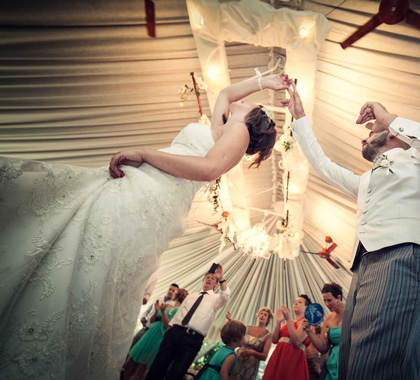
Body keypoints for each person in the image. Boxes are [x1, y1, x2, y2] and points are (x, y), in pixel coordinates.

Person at [0, 72, 290, 379]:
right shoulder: (223, 128)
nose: (240, 100)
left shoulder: (238, 133)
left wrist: (146, 154)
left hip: (157, 190)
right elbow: (227, 93)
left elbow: (208, 169)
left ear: (254, 116)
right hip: (153, 186)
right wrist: (266, 82)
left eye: (249, 101)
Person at [282, 83, 420, 380]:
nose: (365, 135)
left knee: (380, 362)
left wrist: (391, 120)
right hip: (364, 266)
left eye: (372, 131)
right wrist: (299, 118)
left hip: (406, 256)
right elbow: (322, 165)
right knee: (353, 359)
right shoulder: (364, 180)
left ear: (396, 136)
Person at [146, 268, 229, 380]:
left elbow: (225, 295)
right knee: (157, 367)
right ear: (203, 281)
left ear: (215, 284)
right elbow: (177, 315)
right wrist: (170, 331)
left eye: (213, 278)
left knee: (176, 373)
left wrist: (221, 278)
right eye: (207, 277)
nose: (209, 279)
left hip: (193, 339)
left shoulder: (216, 299)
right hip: (175, 333)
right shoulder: (191, 296)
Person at [124, 289, 188, 380]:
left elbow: (168, 326)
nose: (172, 294)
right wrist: (157, 311)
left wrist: (162, 312)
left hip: (158, 337)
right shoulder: (167, 305)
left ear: (178, 295)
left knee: (141, 369)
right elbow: (151, 320)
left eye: (175, 292)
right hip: (150, 332)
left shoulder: (179, 312)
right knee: (129, 363)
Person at [262, 295, 313, 380]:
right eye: (295, 302)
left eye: (300, 302)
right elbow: (274, 340)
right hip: (279, 356)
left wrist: (288, 319)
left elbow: (297, 340)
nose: (296, 303)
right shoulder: (289, 322)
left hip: (293, 358)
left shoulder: (306, 322)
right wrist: (278, 323)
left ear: (306, 308)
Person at [302, 282, 344, 380]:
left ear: (338, 297)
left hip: (348, 359)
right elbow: (323, 347)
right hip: (332, 363)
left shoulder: (352, 312)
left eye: (329, 300)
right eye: (324, 301)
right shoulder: (328, 319)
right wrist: (309, 331)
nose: (326, 304)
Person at [227, 307, 273, 380]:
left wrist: (252, 352)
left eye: (265, 315)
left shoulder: (268, 335)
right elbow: (237, 329)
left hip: (250, 367)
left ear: (267, 319)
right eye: (261, 313)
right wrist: (230, 320)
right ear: (258, 315)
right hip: (237, 361)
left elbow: (264, 356)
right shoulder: (247, 328)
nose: (262, 315)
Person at [131, 283, 179, 349]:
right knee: (132, 346)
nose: (170, 292)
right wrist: (143, 317)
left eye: (173, 291)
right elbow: (148, 310)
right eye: (170, 289)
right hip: (145, 327)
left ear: (176, 294)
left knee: (141, 351)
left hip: (154, 332)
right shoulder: (158, 298)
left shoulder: (173, 306)